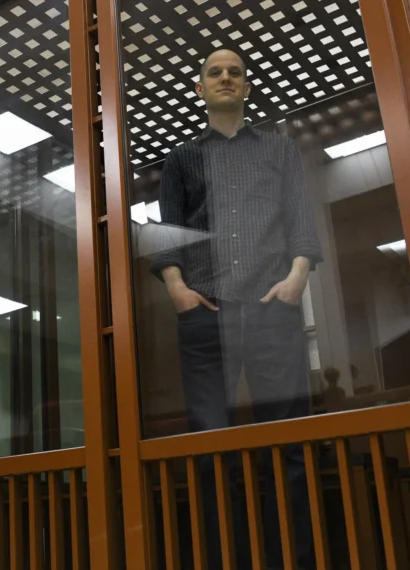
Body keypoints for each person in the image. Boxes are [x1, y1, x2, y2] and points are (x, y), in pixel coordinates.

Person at [152, 48, 321, 569]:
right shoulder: (181, 158)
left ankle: (291, 561)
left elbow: (301, 220)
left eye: (235, 73)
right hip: (206, 313)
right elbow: (167, 231)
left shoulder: (280, 149)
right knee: (209, 448)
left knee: (289, 445)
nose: (225, 78)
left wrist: (296, 278)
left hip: (272, 307)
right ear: (200, 88)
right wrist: (177, 289)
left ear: (247, 87)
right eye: (215, 73)